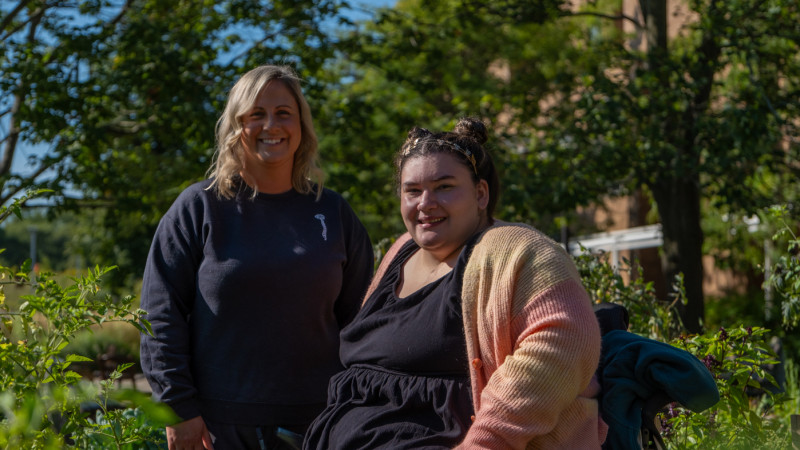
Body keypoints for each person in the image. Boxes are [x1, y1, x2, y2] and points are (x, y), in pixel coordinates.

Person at [304, 118, 605, 449]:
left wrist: (488, 442)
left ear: (480, 193)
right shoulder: (401, 250)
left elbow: (565, 342)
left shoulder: (519, 249)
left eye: (444, 187)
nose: (426, 203)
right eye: (412, 191)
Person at [139, 64, 374, 450]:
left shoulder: (332, 212)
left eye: (284, 113)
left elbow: (365, 318)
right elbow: (158, 314)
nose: (271, 125)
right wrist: (177, 407)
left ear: (301, 126)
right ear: (236, 125)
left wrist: (361, 405)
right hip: (219, 428)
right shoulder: (199, 208)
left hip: (322, 424)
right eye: (256, 115)